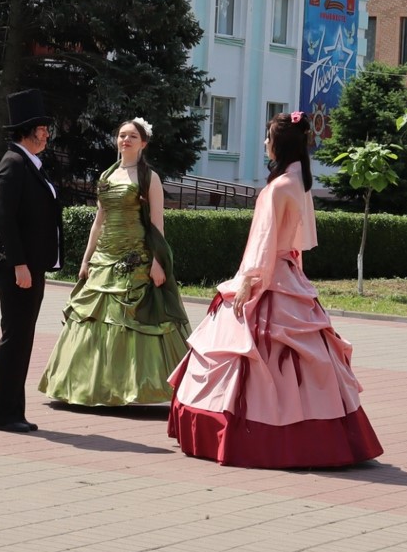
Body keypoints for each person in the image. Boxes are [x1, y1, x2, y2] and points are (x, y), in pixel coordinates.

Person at [168, 111, 383, 468]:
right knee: (305, 357)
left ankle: (251, 432)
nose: (266, 143)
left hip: (269, 272)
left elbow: (264, 242)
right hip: (289, 272)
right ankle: (322, 429)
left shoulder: (278, 187)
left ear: (280, 143)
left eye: (268, 138)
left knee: (247, 349)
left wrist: (249, 283)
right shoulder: (299, 183)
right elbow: (294, 243)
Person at [38, 117, 189, 406]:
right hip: (104, 258)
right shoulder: (107, 176)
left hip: (136, 259)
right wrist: (86, 260)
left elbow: (157, 223)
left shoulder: (149, 177)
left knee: (129, 322)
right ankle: (91, 387)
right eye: (121, 135)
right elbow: (99, 221)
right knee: (92, 319)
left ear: (143, 143)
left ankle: (132, 387)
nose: (125, 140)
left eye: (132, 136)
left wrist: (158, 263)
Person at [0, 89, 64, 433]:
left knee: (22, 336)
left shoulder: (30, 164)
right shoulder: (13, 164)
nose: (45, 133)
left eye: (46, 128)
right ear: (25, 131)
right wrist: (18, 264)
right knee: (15, 336)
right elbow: (6, 218)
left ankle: (12, 410)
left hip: (30, 264)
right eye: (41, 128)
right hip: (18, 267)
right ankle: (1, 414)